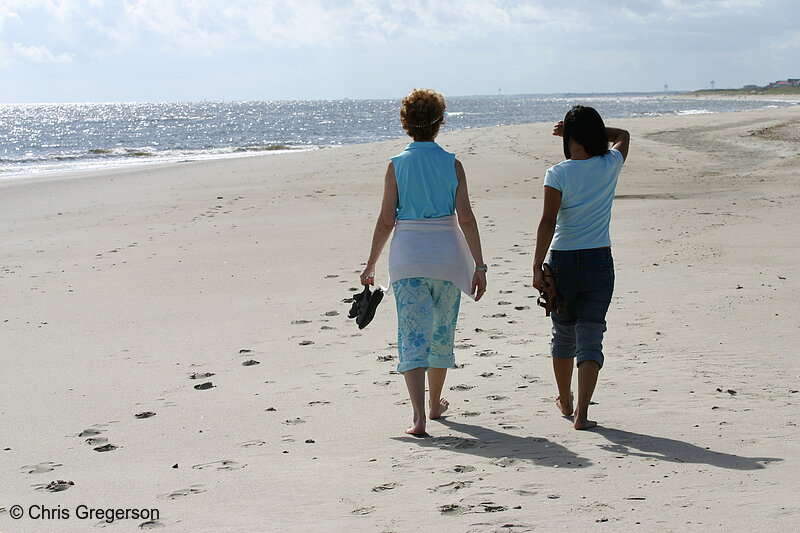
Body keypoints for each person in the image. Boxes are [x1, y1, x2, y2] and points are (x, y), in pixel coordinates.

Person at [360, 88, 487, 436]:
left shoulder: (397, 165)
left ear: (406, 124)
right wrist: (479, 265)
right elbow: (467, 219)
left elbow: (386, 220)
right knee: (442, 333)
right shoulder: (452, 164)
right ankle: (435, 405)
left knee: (412, 336)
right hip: (448, 259)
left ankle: (417, 416)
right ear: (439, 122)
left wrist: (371, 263)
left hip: (408, 260)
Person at [532, 105, 630, 430]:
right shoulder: (610, 163)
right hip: (599, 261)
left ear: (570, 136)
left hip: (562, 261)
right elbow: (622, 136)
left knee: (563, 334)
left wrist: (536, 267)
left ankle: (565, 398)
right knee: (591, 334)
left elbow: (547, 222)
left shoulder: (557, 173)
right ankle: (582, 413)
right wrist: (586, 132)